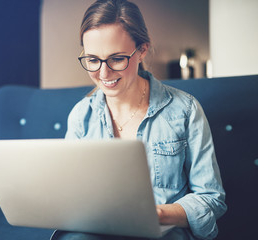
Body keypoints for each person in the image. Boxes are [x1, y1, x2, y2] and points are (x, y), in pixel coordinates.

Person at [51, 0, 227, 239]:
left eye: (116, 59)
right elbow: (70, 193)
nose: (104, 74)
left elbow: (211, 198)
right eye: (92, 59)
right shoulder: (81, 115)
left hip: (163, 232)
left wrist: (157, 214)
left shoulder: (185, 110)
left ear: (142, 50)